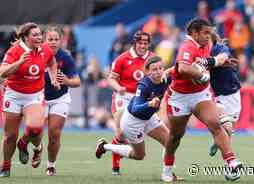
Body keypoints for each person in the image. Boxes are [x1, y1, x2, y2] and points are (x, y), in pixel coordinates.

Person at [162, 18, 242, 182]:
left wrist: (215, 63)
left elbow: (216, 58)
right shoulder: (187, 46)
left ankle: (231, 161)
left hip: (200, 94)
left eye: (210, 33)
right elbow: (183, 68)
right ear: (195, 33)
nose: (208, 36)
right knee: (175, 136)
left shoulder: (206, 45)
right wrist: (202, 74)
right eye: (205, 33)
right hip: (179, 97)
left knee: (215, 124)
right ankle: (167, 170)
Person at [95, 56, 175, 175]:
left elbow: (179, 69)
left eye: (160, 68)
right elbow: (135, 109)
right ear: (147, 72)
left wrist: (172, 69)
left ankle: (168, 174)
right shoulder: (144, 85)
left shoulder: (165, 78)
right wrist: (149, 103)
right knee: (139, 155)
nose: (158, 72)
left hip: (149, 117)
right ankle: (105, 146)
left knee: (170, 142)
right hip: (133, 121)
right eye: (154, 69)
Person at [0, 22, 59, 177]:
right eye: (35, 35)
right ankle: (5, 166)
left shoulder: (45, 49)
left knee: (35, 128)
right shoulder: (14, 51)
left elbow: (52, 62)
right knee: (10, 136)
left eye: (40, 34)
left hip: (34, 95)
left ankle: (34, 147)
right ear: (26, 38)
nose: (39, 37)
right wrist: (19, 62)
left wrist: (53, 78)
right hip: (13, 94)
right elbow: (2, 73)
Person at [107, 30, 154, 175]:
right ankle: (115, 167)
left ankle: (105, 146)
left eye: (146, 43)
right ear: (135, 43)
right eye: (140, 43)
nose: (143, 46)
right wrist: (118, 88)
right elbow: (110, 79)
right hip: (123, 97)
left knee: (129, 136)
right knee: (121, 133)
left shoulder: (153, 59)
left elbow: (158, 77)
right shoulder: (122, 58)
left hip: (141, 99)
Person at [42, 26, 81, 176]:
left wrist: (66, 81)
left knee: (54, 133)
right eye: (50, 39)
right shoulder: (36, 55)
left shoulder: (65, 57)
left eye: (56, 39)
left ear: (61, 40)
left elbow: (77, 81)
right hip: (38, 98)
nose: (53, 42)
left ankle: (51, 165)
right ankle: (37, 148)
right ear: (44, 40)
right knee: (35, 133)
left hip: (60, 98)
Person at [206, 33, 241, 157]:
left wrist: (209, 62)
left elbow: (221, 59)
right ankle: (229, 164)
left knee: (229, 132)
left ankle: (217, 142)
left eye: (207, 38)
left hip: (232, 93)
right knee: (226, 127)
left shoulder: (220, 48)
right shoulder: (199, 50)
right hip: (214, 95)